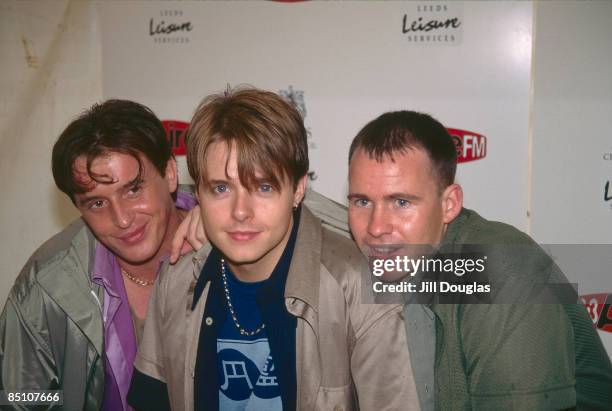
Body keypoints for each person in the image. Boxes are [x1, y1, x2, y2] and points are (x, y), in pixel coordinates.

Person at [128, 87, 420, 411]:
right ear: (198, 193)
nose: (241, 212)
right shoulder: (176, 277)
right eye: (221, 188)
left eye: (264, 187)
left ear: (298, 190)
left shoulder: (359, 286)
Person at [347, 110, 612, 410]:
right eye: (362, 201)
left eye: (402, 202)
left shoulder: (501, 273)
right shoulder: (404, 258)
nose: (376, 227)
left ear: (449, 205)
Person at [0, 100, 197, 410]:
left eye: (133, 190)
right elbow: (18, 397)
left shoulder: (237, 242)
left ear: (170, 173)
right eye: (96, 203)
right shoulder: (49, 283)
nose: (121, 219)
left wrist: (221, 227)